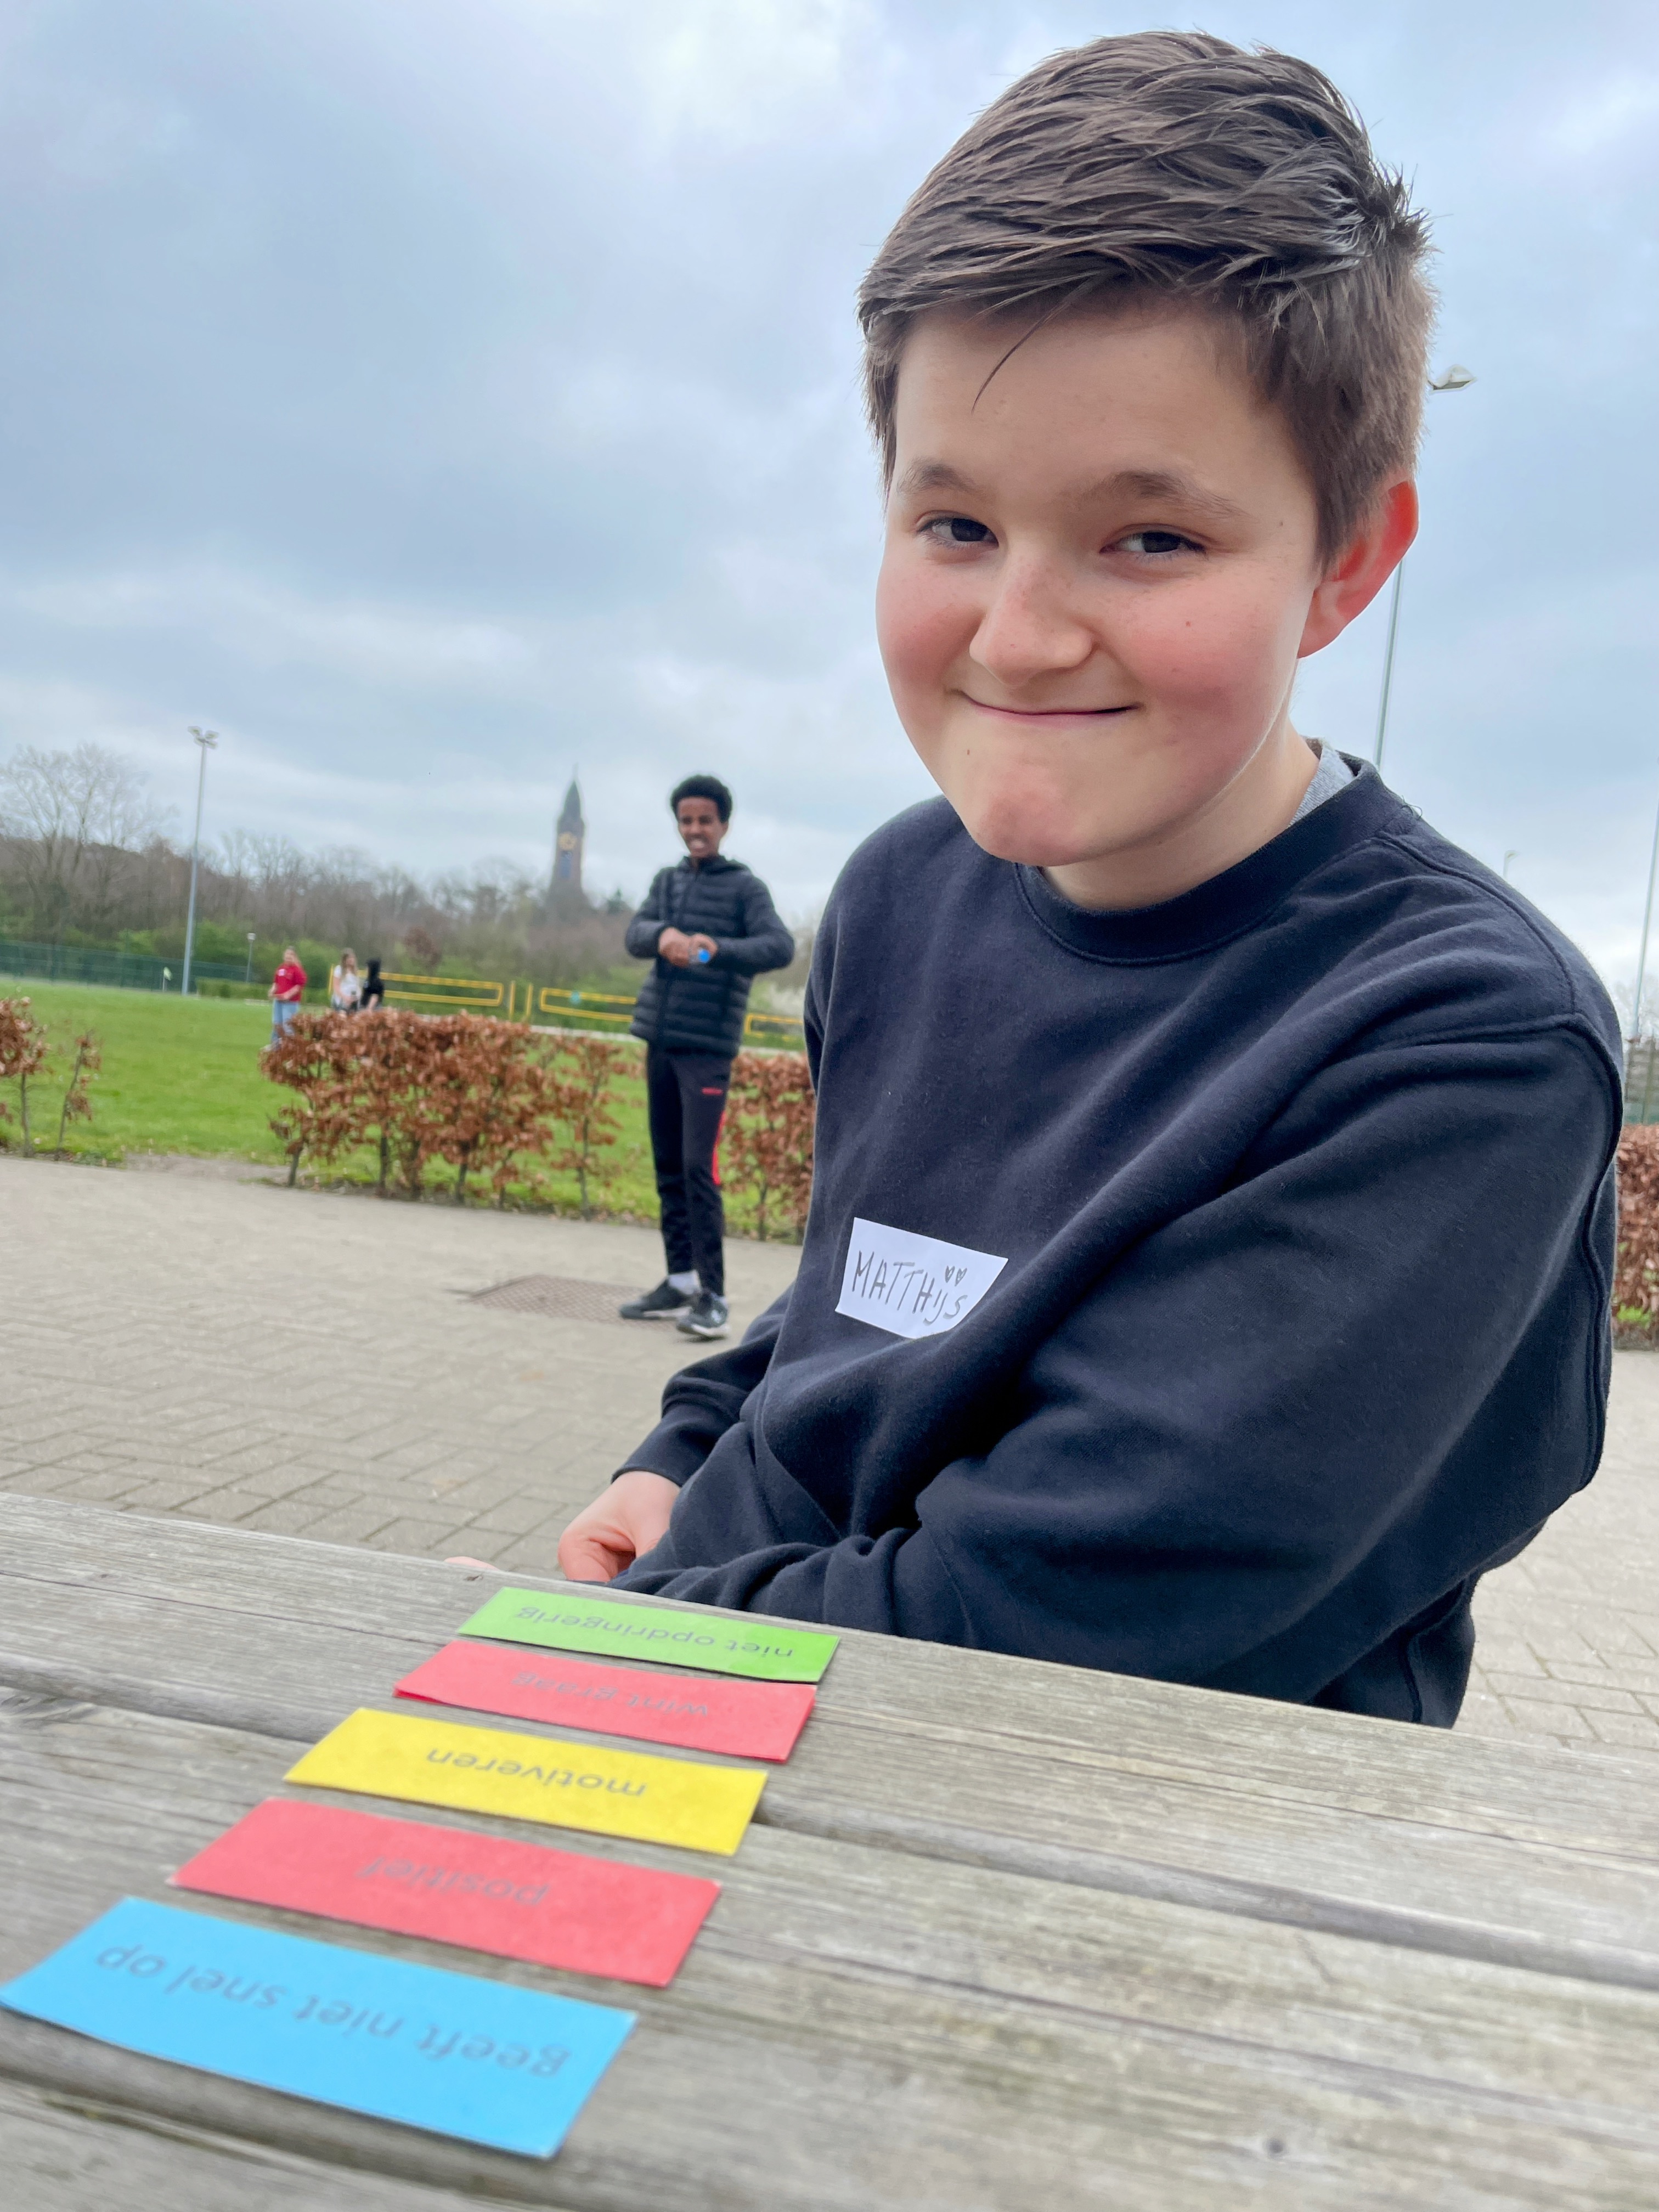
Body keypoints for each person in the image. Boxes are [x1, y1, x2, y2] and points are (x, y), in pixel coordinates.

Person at [557, 34, 1621, 1727]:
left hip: (1095, 1850)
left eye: (1152, 539)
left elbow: (1039, 1635)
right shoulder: (900, 894)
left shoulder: (1461, 1046)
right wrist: (687, 1455)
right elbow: (876, 1301)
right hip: (731, 1730)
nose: (1022, 634)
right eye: (957, 526)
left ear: (1348, 561)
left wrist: (621, 1647)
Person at [618, 775, 794, 1340]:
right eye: (687, 821)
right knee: (669, 1165)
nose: (695, 830)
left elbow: (779, 946)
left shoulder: (746, 888)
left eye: (705, 821)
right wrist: (662, 936)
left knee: (699, 1168)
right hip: (660, 1041)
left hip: (708, 1049)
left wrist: (716, 950)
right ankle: (679, 1281)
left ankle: (714, 1298)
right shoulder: (667, 882)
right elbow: (634, 933)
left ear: (724, 825)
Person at [267, 945, 307, 1041]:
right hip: (279, 1001)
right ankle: (276, 1046)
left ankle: (290, 1046)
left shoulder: (297, 970)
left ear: (295, 957)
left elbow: (299, 986)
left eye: (291, 954)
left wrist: (288, 994)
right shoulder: (281, 968)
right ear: (284, 955)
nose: (289, 956)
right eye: (287, 954)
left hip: (290, 1003)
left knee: (288, 1026)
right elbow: (276, 983)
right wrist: (272, 991)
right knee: (277, 1024)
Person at [329, 949, 362, 1013]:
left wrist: (357, 997)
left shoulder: (355, 972)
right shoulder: (339, 969)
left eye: (352, 958)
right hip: (342, 1000)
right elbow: (336, 986)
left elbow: (356, 986)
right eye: (349, 958)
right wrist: (345, 998)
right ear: (345, 960)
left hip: (353, 1000)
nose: (351, 960)